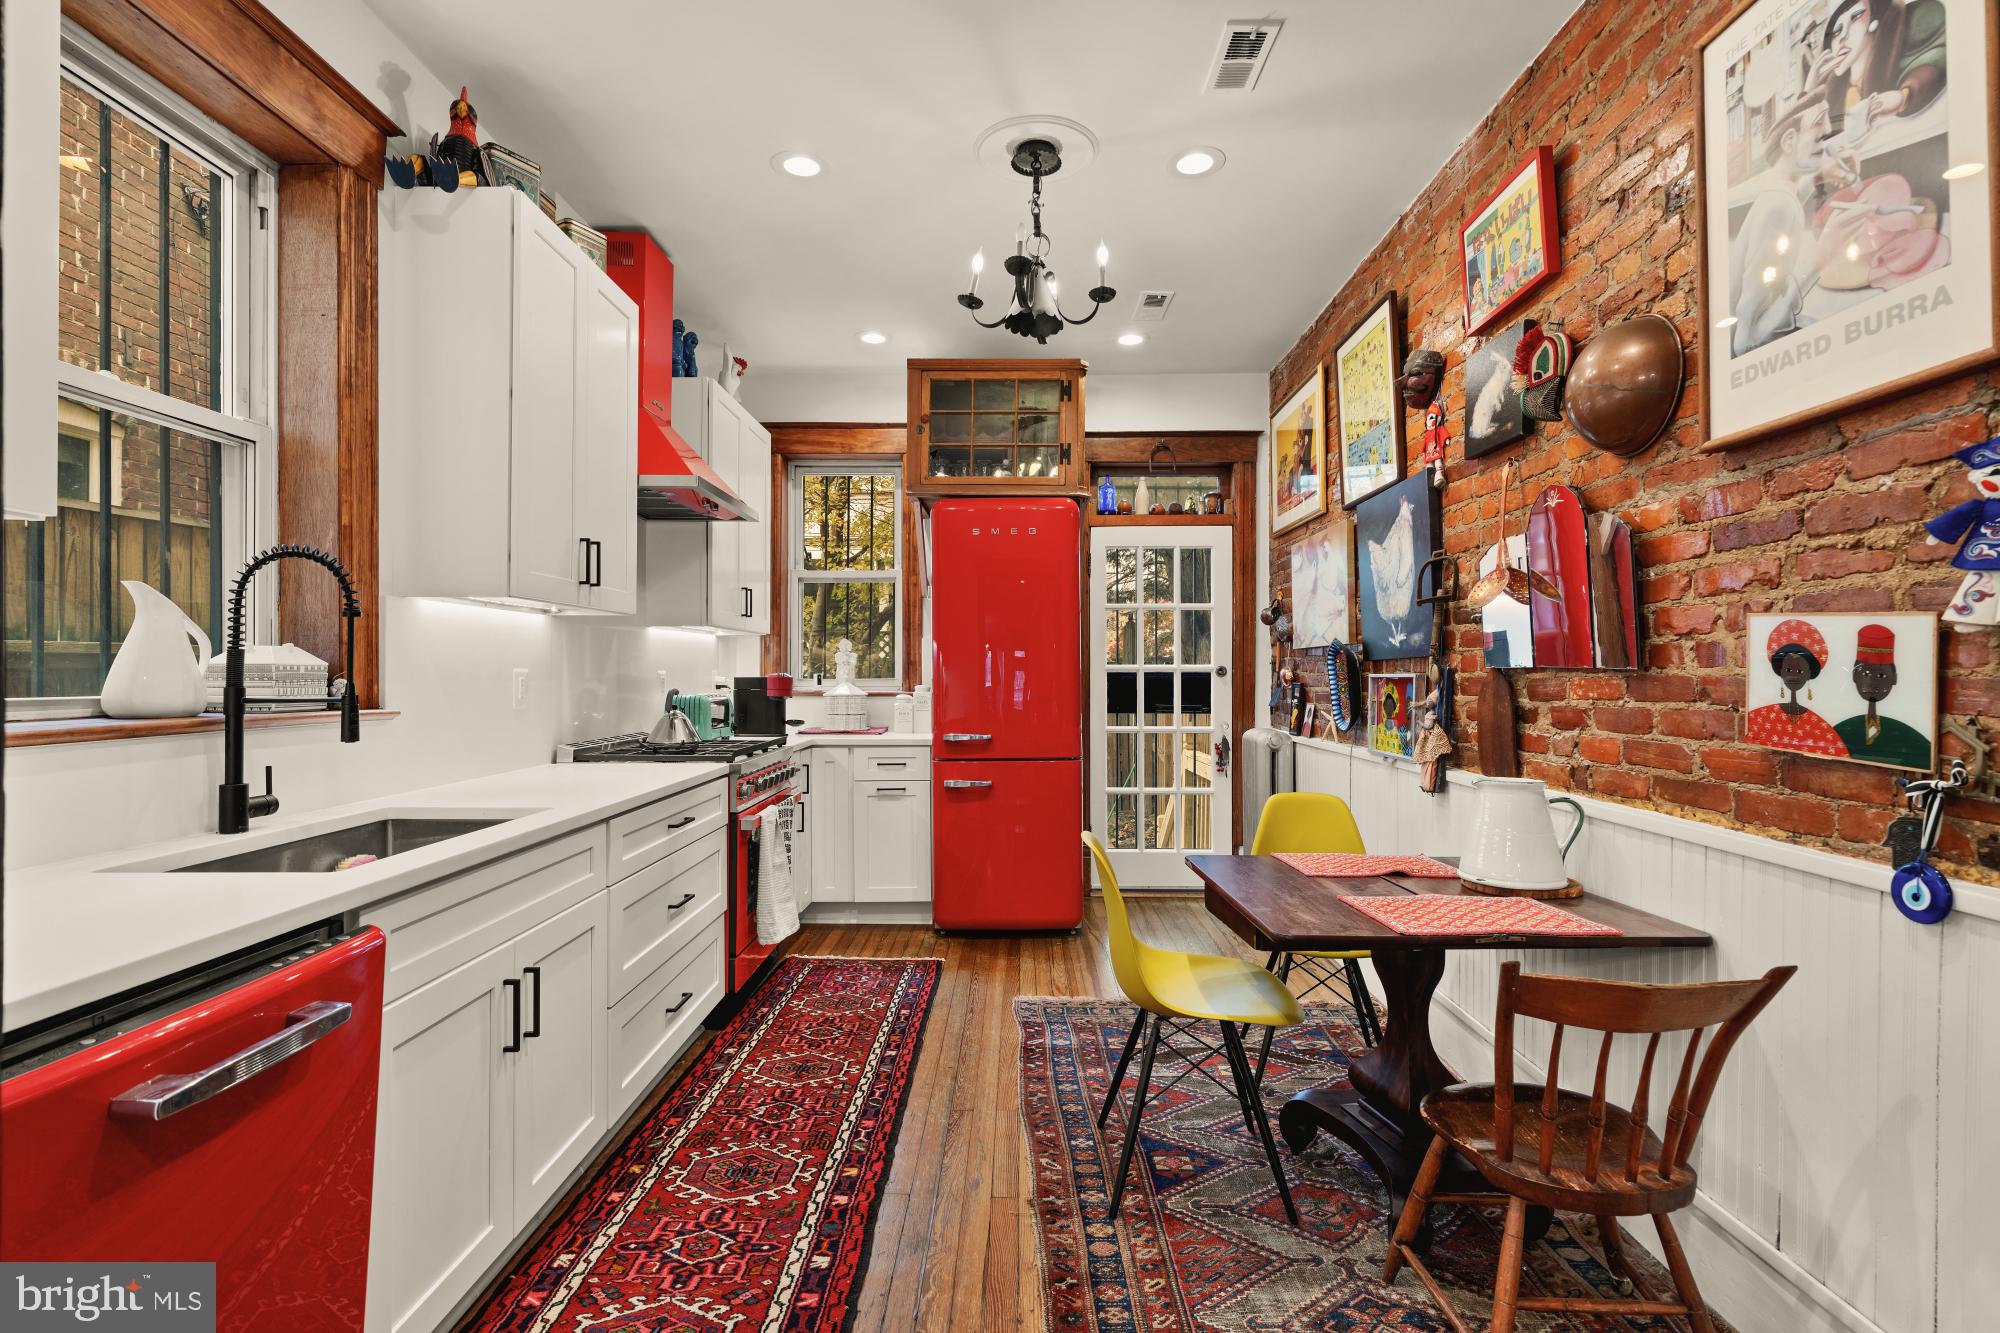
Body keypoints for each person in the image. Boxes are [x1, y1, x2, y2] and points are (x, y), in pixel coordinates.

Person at [1833, 624, 1933, 768]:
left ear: (1894, 678)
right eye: (1866, 674)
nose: (1873, 682)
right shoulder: (1843, 730)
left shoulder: (1906, 735)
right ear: (1854, 675)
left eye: (1881, 675)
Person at [1747, 619, 1849, 757]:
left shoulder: (1820, 727)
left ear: (1809, 674)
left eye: (1800, 671)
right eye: (1788, 670)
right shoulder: (1760, 717)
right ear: (1781, 671)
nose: (1794, 676)